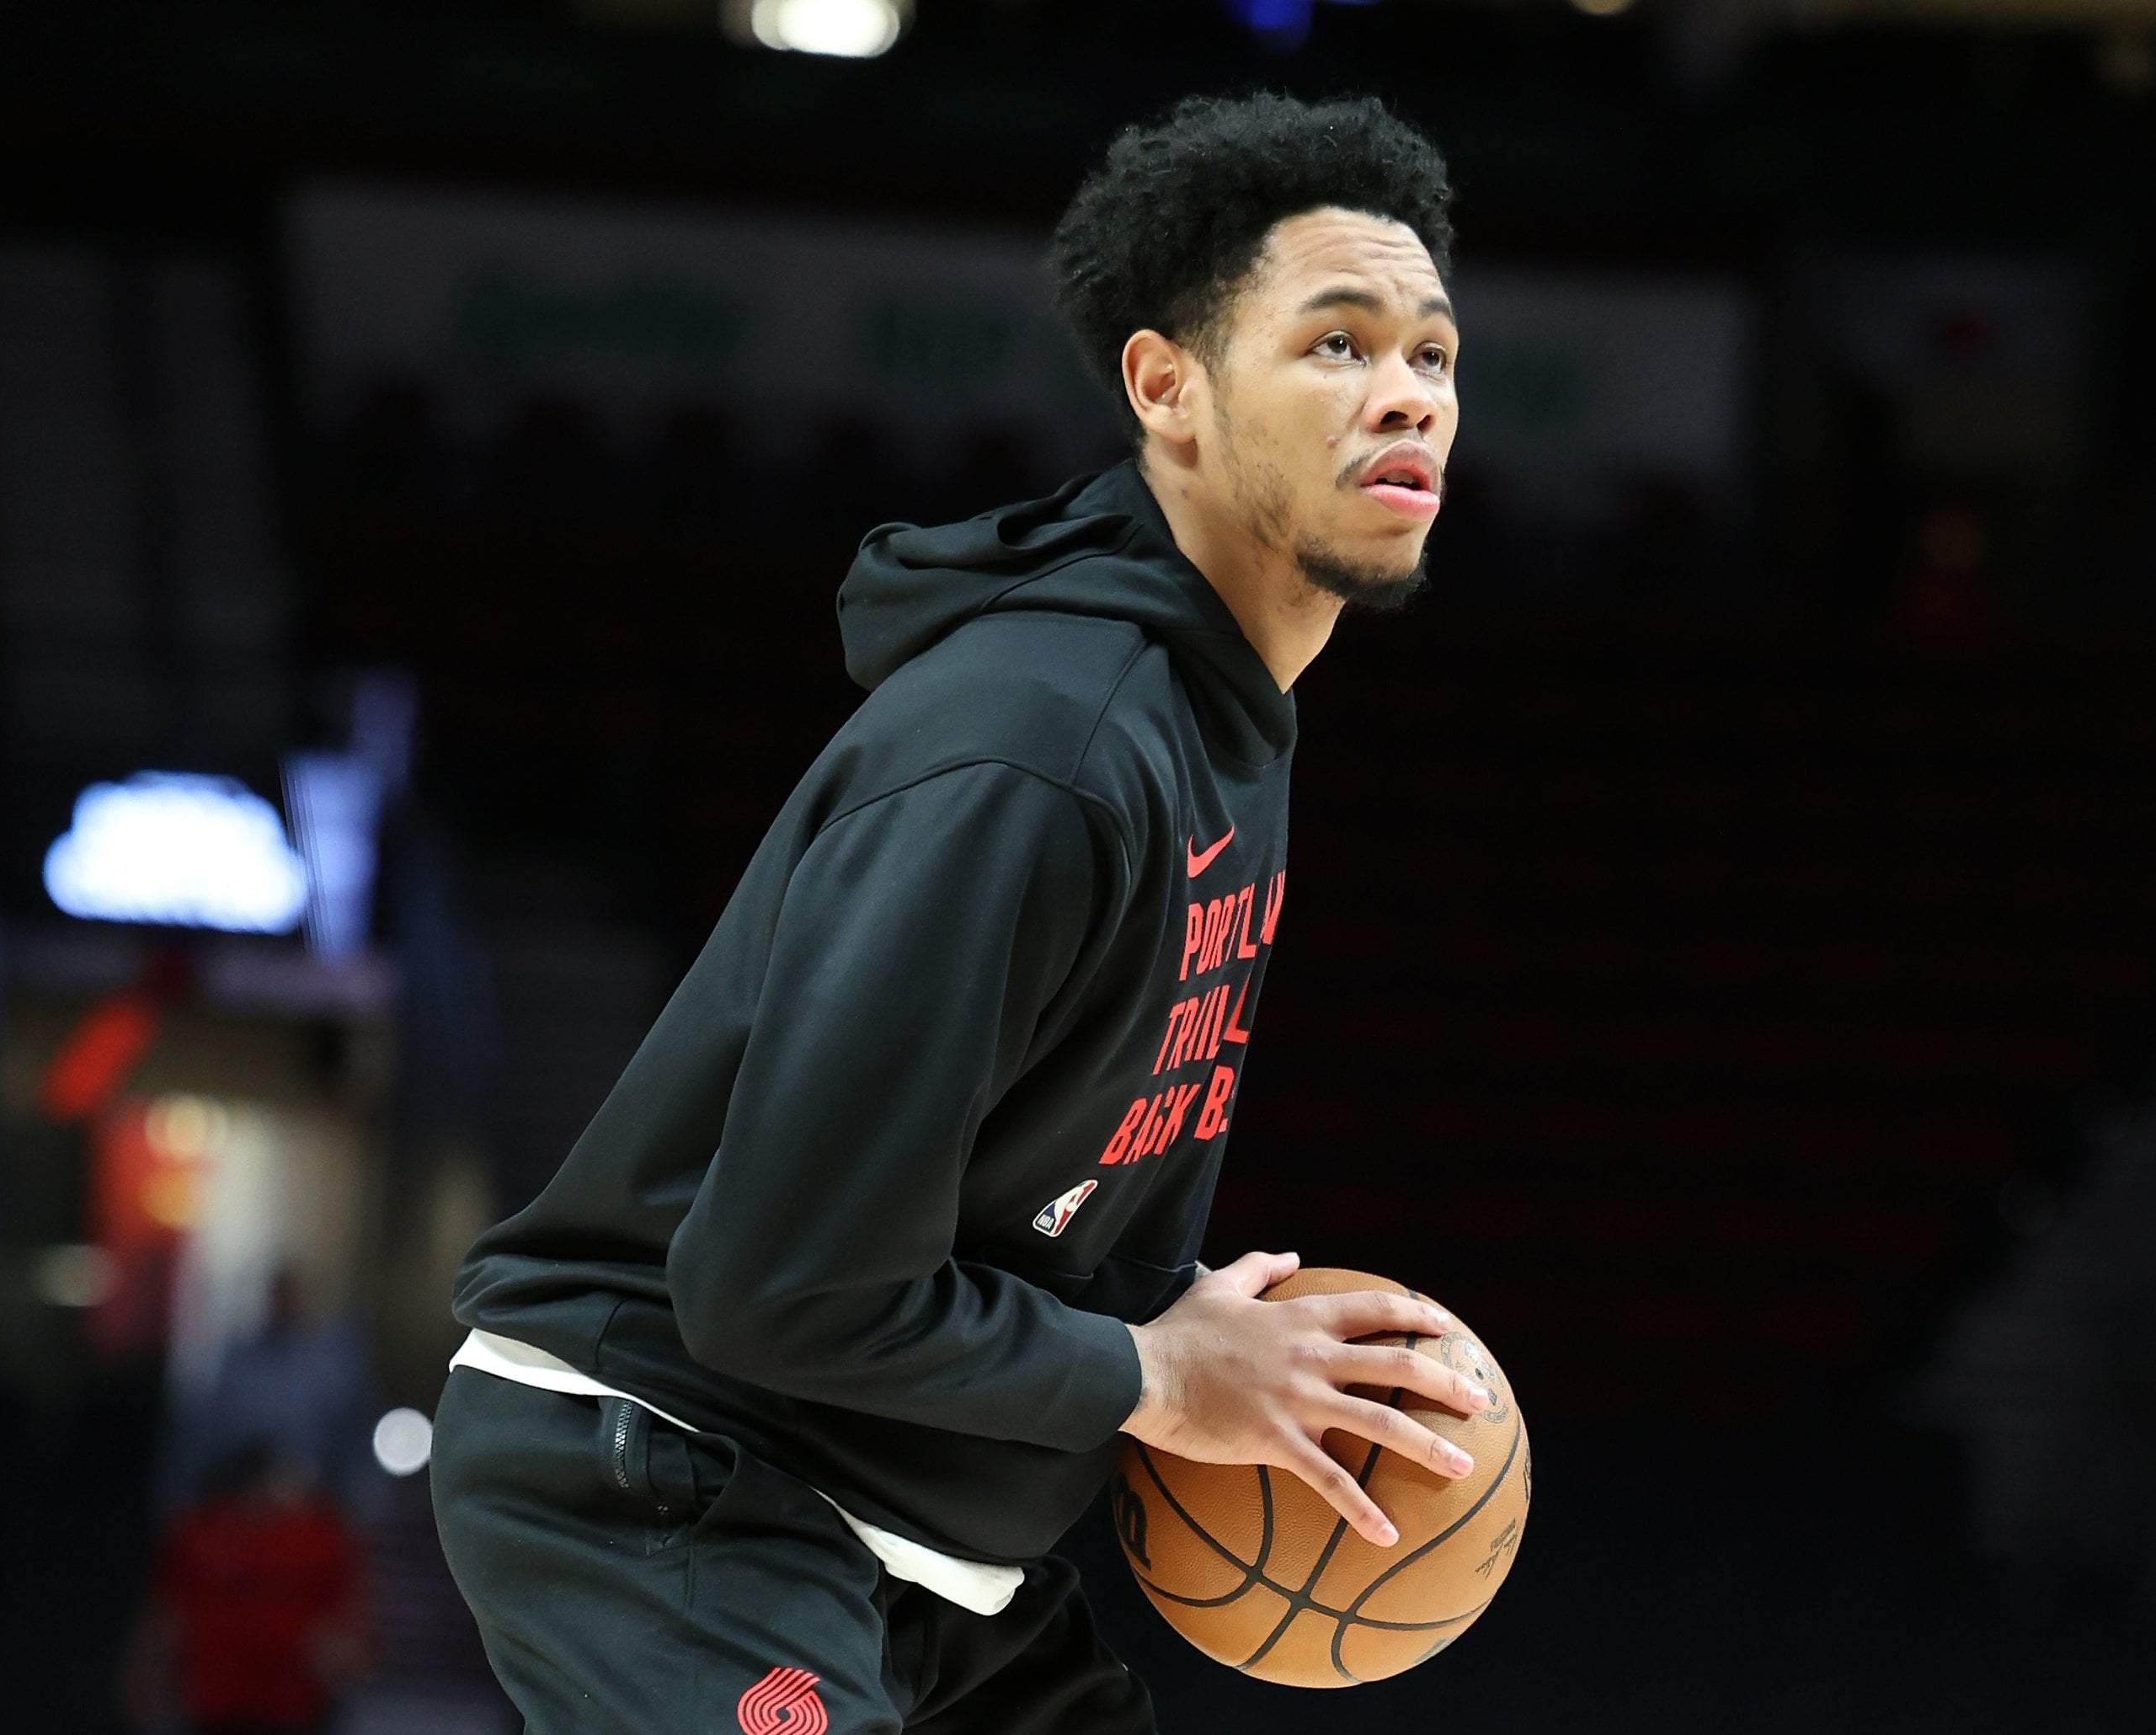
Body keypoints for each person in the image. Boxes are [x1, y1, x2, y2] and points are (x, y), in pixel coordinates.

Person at [430, 91, 1494, 1734]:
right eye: (1336, 345)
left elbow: (1012, 1216)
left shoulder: (1223, 725)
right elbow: (780, 1285)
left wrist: (1180, 1320)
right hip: (679, 1478)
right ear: (1167, 389)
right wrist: (1154, 1374)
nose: (1406, 391)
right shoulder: (1042, 750)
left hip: (914, 1539)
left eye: (1429, 352)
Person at [126, 1444, 368, 1735]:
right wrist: (144, 1683)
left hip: (291, 1704)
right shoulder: (200, 1531)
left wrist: (341, 1661)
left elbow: (348, 1620)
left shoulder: (318, 1534)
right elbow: (166, 1617)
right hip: (216, 1703)